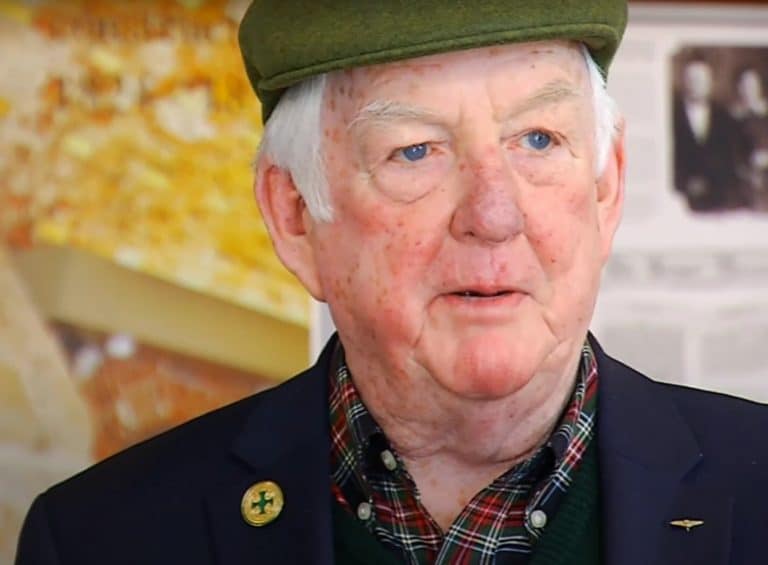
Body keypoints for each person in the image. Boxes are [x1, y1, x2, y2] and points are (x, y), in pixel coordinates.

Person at [16, 2, 768, 564]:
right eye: (415, 151)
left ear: (606, 189)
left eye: (539, 139)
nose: (494, 214)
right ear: (296, 217)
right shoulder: (100, 539)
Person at [672, 57, 746, 212]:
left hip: (718, 200)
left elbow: (729, 160)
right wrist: (685, 183)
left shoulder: (724, 117)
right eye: (692, 79)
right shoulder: (671, 115)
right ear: (684, 82)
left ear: (710, 82)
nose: (697, 84)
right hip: (680, 202)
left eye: (702, 79)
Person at [731, 66, 768, 211]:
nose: (748, 90)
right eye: (744, 85)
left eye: (752, 85)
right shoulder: (733, 118)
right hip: (744, 181)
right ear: (738, 88)